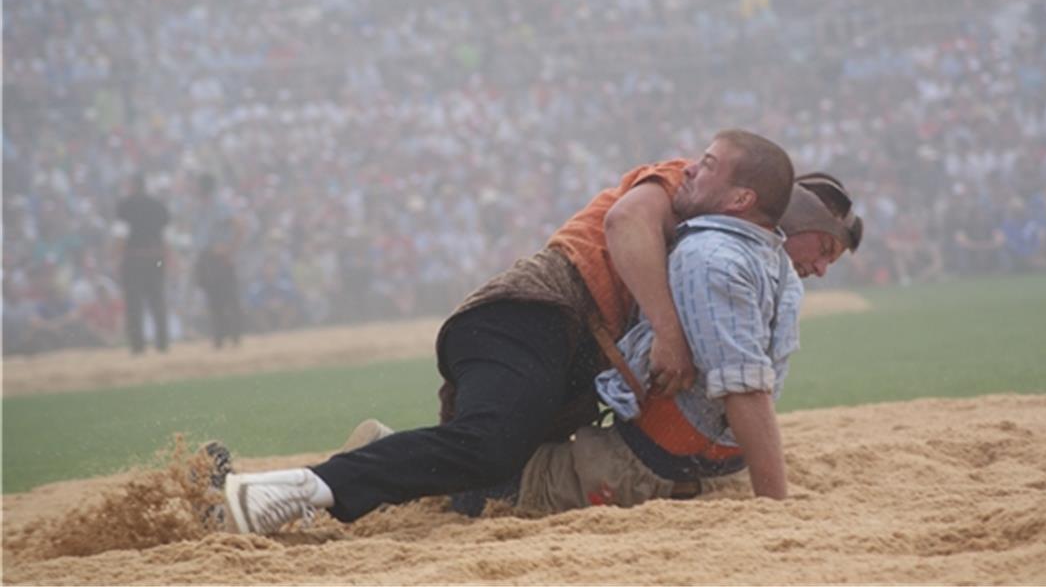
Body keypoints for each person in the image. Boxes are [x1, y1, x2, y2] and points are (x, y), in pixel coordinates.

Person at [222, 129, 797, 533]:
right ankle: (291, 490)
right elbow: (625, 221)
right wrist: (668, 333)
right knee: (489, 446)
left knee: (495, 475)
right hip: (532, 314)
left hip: (567, 351)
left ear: (744, 199)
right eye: (703, 158)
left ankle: (364, 458)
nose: (694, 165)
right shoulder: (674, 182)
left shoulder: (723, 236)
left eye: (710, 163)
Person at [344, 173, 863, 517]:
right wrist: (776, 506)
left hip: (592, 362)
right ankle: (377, 457)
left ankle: (403, 453)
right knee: (507, 476)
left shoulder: (749, 264)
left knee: (506, 448)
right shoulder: (713, 249)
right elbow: (744, 386)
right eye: (823, 249)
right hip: (545, 323)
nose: (820, 268)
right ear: (786, 219)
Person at [114, 173, 171, 354]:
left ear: (133, 186)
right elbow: (166, 235)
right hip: (155, 258)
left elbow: (121, 235)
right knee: (157, 301)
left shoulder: (125, 206)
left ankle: (138, 346)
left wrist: (116, 257)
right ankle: (162, 343)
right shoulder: (158, 206)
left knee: (134, 305)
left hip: (134, 258)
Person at [192, 172, 244, 349]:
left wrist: (230, 249)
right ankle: (219, 338)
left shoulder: (219, 204)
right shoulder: (201, 206)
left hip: (219, 257)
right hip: (207, 257)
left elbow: (238, 224)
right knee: (213, 300)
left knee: (228, 298)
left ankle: (235, 337)